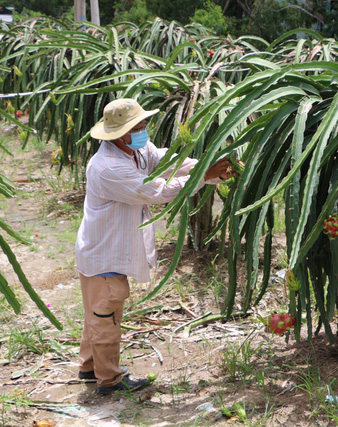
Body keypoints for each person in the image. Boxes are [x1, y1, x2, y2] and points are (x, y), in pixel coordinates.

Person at [75, 98, 231, 395]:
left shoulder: (136, 149)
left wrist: (208, 169)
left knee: (96, 312)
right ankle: (109, 380)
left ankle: (88, 367)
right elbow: (155, 191)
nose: (144, 131)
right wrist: (204, 176)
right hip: (104, 251)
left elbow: (165, 159)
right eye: (138, 127)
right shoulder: (108, 167)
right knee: (106, 314)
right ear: (118, 133)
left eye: (144, 125)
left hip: (105, 246)